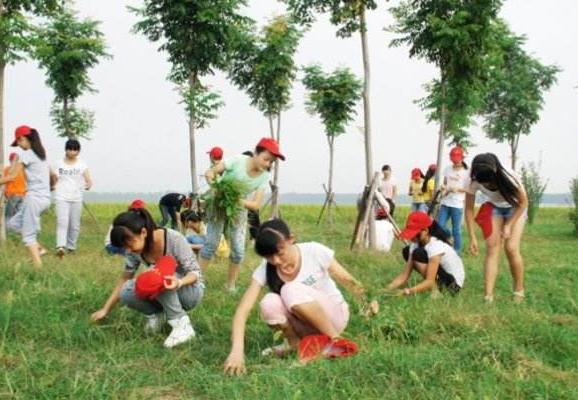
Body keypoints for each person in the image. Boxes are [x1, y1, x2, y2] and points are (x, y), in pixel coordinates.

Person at [223, 219, 378, 376]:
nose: (276, 261)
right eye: (269, 257)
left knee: (289, 290)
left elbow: (348, 281)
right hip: (303, 326)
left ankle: (337, 342)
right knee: (269, 303)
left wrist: (367, 301)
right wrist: (236, 351)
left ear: (291, 239)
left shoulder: (314, 251)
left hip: (333, 318)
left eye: (280, 253)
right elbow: (243, 310)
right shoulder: (266, 268)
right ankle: (295, 345)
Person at [91, 208, 204, 348]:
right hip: (166, 288)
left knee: (157, 275)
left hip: (190, 290)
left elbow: (195, 273)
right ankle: (157, 315)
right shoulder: (133, 250)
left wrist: (179, 282)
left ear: (143, 232)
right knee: (126, 291)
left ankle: (181, 324)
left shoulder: (174, 239)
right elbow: (124, 278)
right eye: (124, 247)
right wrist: (105, 309)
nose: (128, 250)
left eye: (129, 243)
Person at [201, 137, 285, 293]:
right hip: (219, 203)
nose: (268, 164)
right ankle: (197, 281)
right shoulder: (238, 161)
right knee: (211, 244)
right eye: (266, 159)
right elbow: (210, 172)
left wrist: (235, 200)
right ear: (255, 153)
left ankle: (230, 285)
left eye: (271, 162)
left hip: (239, 208)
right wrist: (216, 187)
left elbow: (256, 204)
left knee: (238, 250)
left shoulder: (264, 176)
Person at [464, 153, 528, 303]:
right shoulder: (473, 179)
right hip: (495, 207)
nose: (487, 186)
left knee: (511, 248)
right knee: (492, 248)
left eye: (490, 183)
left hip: (516, 207)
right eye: (484, 184)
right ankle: (488, 297)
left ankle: (519, 291)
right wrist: (472, 237)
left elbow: (523, 203)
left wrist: (509, 225)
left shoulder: (509, 176)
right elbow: (468, 209)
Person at [0, 126, 51, 267]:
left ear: (24, 139)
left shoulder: (26, 154)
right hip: (44, 199)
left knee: (28, 236)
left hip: (33, 199)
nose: (19, 147)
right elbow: (52, 175)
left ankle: (38, 268)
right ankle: (39, 248)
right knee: (11, 224)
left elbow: (11, 176)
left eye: (19, 142)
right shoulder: (42, 155)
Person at [387, 212, 464, 296]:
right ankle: (435, 288)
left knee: (417, 254)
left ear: (426, 231)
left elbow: (429, 281)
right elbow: (404, 276)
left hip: (453, 285)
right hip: (440, 275)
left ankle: (436, 292)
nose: (412, 238)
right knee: (408, 251)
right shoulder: (415, 244)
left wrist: (407, 292)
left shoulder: (435, 246)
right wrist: (387, 289)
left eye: (415, 234)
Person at [51, 139, 93, 257]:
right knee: (62, 222)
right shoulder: (58, 163)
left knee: (74, 224)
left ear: (78, 151)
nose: (72, 152)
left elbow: (88, 178)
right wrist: (52, 185)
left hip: (76, 197)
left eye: (75, 149)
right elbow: (54, 178)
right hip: (61, 196)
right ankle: (60, 246)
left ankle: (71, 247)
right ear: (66, 150)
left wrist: (88, 184)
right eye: (70, 149)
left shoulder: (82, 164)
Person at [437, 147, 470, 252]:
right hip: (445, 202)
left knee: (457, 230)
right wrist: (443, 187)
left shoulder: (466, 172)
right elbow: (445, 183)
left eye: (457, 160)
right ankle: (446, 239)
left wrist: (458, 189)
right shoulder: (447, 169)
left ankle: (457, 251)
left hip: (457, 204)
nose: (455, 163)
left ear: (462, 158)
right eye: (453, 160)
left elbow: (469, 189)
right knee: (440, 226)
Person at [2, 152, 26, 220]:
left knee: (8, 215)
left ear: (10, 160)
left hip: (13, 195)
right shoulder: (21, 170)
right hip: (22, 195)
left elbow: (3, 182)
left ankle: (8, 229)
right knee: (20, 216)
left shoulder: (7, 170)